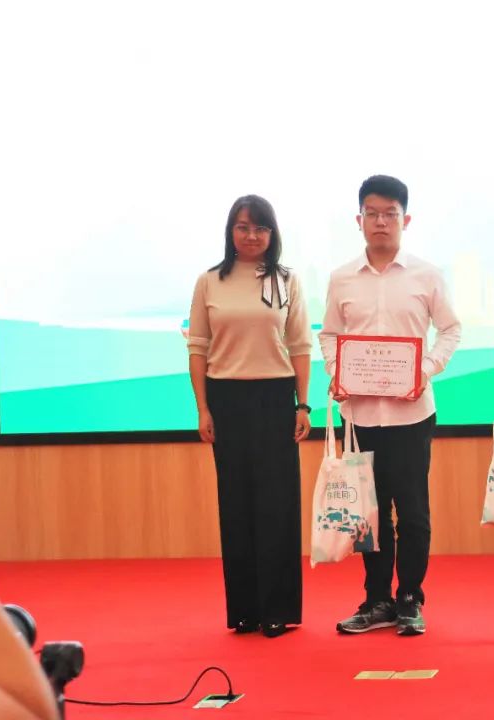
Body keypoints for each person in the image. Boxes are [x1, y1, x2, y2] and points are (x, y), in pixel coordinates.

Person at [321, 175, 461, 637]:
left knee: (413, 513)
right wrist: (337, 371)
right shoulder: (342, 277)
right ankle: (377, 600)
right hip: (360, 415)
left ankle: (410, 598)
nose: (381, 222)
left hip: (412, 413)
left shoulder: (426, 274)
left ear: (406, 219)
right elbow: (329, 334)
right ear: (359, 219)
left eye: (390, 214)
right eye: (373, 214)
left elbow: (451, 330)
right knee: (371, 514)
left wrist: (426, 369)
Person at [187, 195, 312, 639]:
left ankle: (277, 609)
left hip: (275, 397)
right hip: (226, 399)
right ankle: (244, 610)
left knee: (277, 506)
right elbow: (197, 348)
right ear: (230, 232)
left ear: (272, 234)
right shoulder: (209, 282)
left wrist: (302, 404)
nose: (252, 235)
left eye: (260, 228)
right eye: (243, 227)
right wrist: (203, 408)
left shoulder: (286, 280)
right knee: (236, 505)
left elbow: (300, 345)